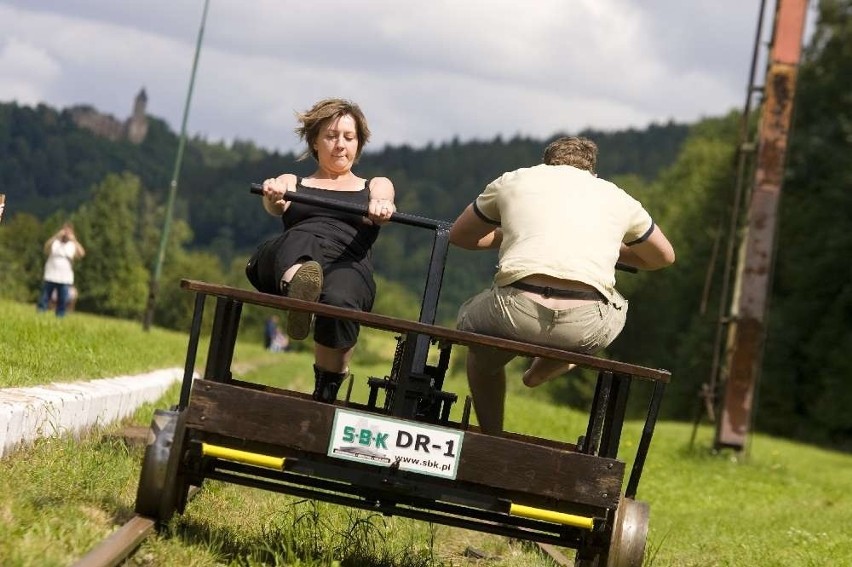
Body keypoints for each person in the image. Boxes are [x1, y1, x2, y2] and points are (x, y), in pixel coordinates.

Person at [449, 136, 675, 435]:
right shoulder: (618, 197)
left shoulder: (514, 180)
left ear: (547, 162)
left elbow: (460, 235)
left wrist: (511, 234)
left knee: (478, 347)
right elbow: (663, 256)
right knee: (614, 309)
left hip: (516, 312)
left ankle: (493, 434)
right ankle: (542, 371)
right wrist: (612, 246)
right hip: (584, 324)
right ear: (591, 170)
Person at [246, 98, 396, 402]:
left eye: (348, 138)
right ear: (315, 141)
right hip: (293, 253)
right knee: (305, 240)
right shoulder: (294, 180)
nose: (340, 145)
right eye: (331, 136)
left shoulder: (375, 185)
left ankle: (326, 387)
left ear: (359, 144)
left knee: (340, 299)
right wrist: (273, 192)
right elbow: (276, 205)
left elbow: (385, 199)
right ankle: (298, 288)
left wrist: (381, 206)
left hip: (347, 261)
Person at [37, 222, 86, 317]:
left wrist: (74, 240)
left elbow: (82, 254)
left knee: (62, 299)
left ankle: (60, 316)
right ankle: (41, 313)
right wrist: (56, 236)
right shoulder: (55, 243)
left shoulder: (72, 245)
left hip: (65, 278)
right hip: (50, 275)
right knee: (45, 297)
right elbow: (46, 248)